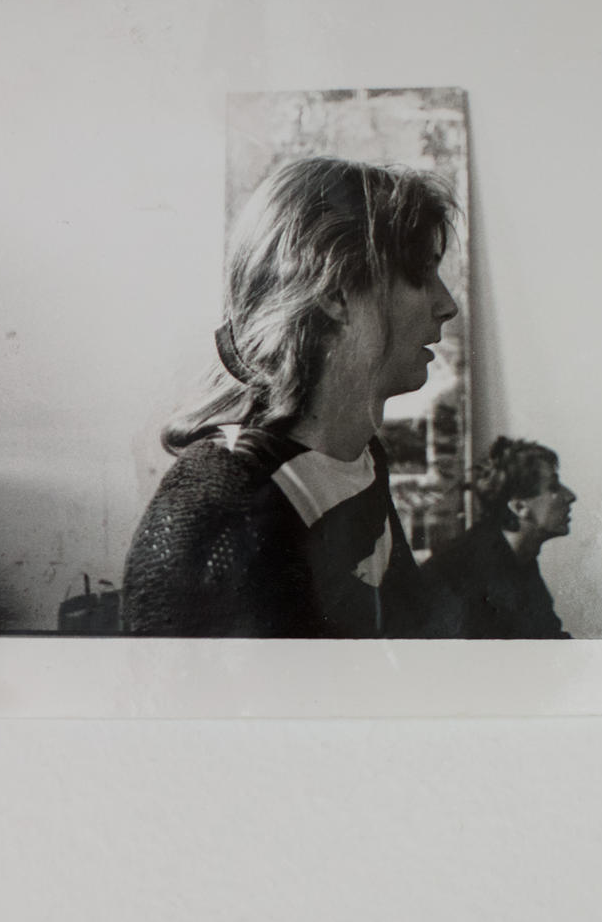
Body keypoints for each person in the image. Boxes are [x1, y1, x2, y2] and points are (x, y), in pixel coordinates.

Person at [121, 155, 459, 637]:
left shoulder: (360, 456)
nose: (447, 304)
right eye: (421, 275)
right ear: (335, 294)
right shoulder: (227, 502)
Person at [425, 436, 576, 638]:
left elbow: (547, 637)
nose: (571, 496)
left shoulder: (518, 557)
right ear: (519, 507)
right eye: (554, 487)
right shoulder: (466, 570)